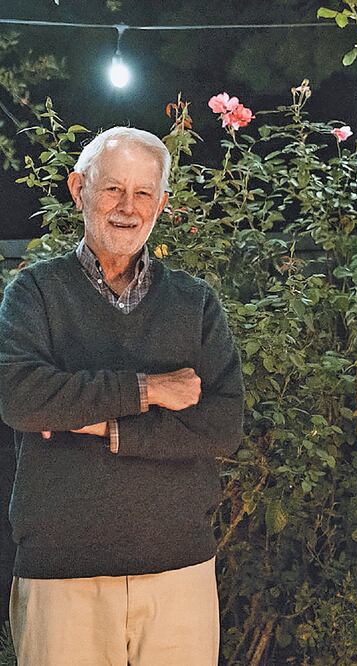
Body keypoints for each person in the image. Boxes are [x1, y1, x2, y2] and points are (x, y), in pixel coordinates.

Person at [0, 126, 244, 665]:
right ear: (77, 189)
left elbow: (222, 423)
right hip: (62, 574)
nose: (127, 208)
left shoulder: (194, 303)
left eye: (143, 193)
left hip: (178, 570)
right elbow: (20, 397)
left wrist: (101, 424)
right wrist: (148, 388)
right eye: (112, 189)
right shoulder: (34, 293)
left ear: (160, 203)